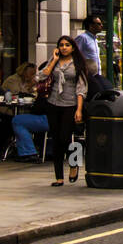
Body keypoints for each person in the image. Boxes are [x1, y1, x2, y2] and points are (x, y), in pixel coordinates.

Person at [36, 36, 88, 185]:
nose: (64, 47)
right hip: (53, 103)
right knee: (57, 140)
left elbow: (81, 89)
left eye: (67, 45)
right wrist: (53, 60)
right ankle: (59, 177)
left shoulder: (78, 64)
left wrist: (79, 109)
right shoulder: (55, 61)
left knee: (67, 138)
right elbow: (40, 77)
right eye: (61, 45)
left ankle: (74, 163)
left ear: (73, 47)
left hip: (70, 105)